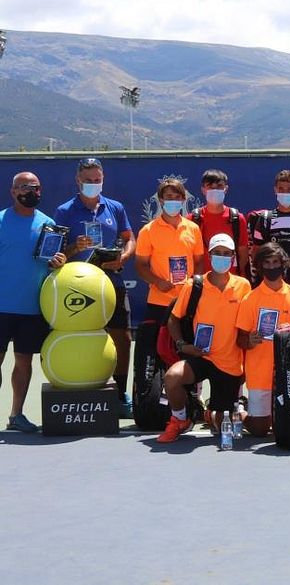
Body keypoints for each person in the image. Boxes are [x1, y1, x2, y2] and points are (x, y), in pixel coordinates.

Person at [54, 158, 136, 418]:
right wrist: (74, 248)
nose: (93, 184)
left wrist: (123, 257)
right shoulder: (64, 211)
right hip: (77, 287)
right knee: (81, 337)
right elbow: (55, 252)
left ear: (103, 179)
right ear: (78, 181)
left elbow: (129, 238)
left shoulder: (115, 207)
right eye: (88, 180)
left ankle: (120, 393)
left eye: (97, 180)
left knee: (121, 338)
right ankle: (80, 389)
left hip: (111, 284)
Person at [156, 234, 251, 443]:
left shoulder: (243, 286)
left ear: (233, 257)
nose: (222, 258)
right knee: (172, 377)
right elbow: (173, 320)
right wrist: (184, 345)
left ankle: (210, 414)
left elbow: (247, 324)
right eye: (218, 253)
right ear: (210, 256)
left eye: (227, 254)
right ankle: (180, 419)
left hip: (229, 364)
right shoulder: (193, 286)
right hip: (199, 355)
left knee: (223, 424)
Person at [0, 172, 66, 432]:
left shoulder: (49, 224)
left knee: (24, 362)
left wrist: (58, 263)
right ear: (13, 191)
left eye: (37, 188)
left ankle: (17, 415)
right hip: (1, 307)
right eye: (26, 187)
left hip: (32, 308)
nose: (32, 192)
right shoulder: (1, 221)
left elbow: (52, 266)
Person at [236, 242, 290, 436]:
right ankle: (240, 412)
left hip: (289, 375)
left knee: (286, 427)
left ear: (283, 264)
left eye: (275, 262)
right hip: (259, 374)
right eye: (266, 263)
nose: (271, 267)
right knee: (260, 430)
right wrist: (249, 340)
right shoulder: (249, 299)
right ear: (260, 267)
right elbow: (240, 339)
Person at [134, 177, 205, 323]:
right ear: (161, 200)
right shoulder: (147, 230)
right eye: (169, 197)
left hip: (187, 300)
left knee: (186, 344)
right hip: (159, 301)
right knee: (158, 345)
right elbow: (140, 265)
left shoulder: (193, 228)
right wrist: (158, 282)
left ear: (183, 199)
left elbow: (199, 262)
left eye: (177, 197)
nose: (173, 200)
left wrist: (193, 286)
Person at [188, 169, 249, 278]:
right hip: (201, 282)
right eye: (210, 187)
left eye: (219, 186)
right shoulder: (192, 219)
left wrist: (241, 278)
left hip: (231, 281)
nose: (215, 190)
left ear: (226, 189)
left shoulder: (237, 219)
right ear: (203, 190)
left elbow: (243, 254)